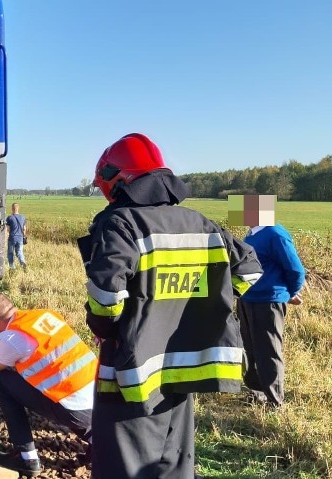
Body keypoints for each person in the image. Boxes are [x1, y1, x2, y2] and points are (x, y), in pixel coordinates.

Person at [79, 133, 262, 479]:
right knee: (173, 467)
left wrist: (109, 326)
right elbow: (250, 270)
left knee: (124, 468)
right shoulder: (201, 224)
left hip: (131, 376)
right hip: (183, 374)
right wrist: (202, 304)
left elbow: (105, 299)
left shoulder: (120, 225)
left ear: (116, 181)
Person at [0, 293, 96, 478]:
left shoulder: (13, 338)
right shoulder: (42, 316)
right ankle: (98, 443)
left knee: (1, 380)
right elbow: (14, 346)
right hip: (99, 400)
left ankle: (27, 458)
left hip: (72, 407)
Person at [238, 223, 305, 408]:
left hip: (268, 301)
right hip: (247, 298)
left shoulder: (275, 233)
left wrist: (290, 293)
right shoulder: (252, 233)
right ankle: (257, 393)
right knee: (250, 349)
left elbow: (296, 269)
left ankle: (274, 401)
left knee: (268, 351)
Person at [5, 202, 28, 269]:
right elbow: (24, 229)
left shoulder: (9, 218)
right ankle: (22, 262)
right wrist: (23, 236)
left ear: (12, 209)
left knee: (10, 254)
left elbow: (8, 229)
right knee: (19, 252)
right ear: (18, 208)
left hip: (12, 238)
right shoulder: (23, 217)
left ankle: (12, 268)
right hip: (20, 238)